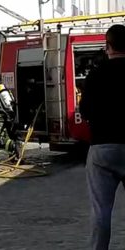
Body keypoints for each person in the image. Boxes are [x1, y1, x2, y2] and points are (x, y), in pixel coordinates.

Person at [80, 24, 125, 250]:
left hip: (102, 148)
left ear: (107, 46)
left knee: (101, 211)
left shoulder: (96, 74)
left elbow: (85, 110)